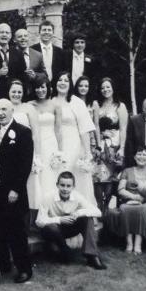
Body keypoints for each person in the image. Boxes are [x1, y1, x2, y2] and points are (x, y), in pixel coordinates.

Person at [0, 99, 35, 283]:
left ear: (12, 111)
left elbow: (25, 164)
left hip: (13, 190)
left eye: (4, 109)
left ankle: (24, 268)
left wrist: (16, 189)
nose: (1, 113)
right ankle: (3, 264)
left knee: (17, 230)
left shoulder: (23, 132)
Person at [36, 171, 106, 269]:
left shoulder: (77, 196)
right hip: (52, 231)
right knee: (52, 228)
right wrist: (59, 219)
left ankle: (92, 255)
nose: (65, 189)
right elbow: (39, 221)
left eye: (68, 186)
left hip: (69, 229)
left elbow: (98, 212)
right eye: (62, 185)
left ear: (73, 187)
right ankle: (64, 250)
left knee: (87, 218)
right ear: (57, 185)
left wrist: (78, 213)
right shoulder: (48, 197)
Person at [109, 146, 146, 254]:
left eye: (144, 155)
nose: (141, 157)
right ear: (134, 157)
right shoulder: (127, 171)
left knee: (142, 210)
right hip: (129, 201)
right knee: (124, 208)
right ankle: (129, 243)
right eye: (139, 154)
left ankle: (138, 244)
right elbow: (120, 189)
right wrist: (133, 197)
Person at [53, 71, 96, 204]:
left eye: (66, 80)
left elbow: (84, 129)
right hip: (54, 144)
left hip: (73, 145)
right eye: (60, 80)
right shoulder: (50, 101)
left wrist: (87, 153)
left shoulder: (76, 102)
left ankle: (80, 211)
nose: (62, 83)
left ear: (70, 84)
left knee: (76, 176)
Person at [29, 75, 64, 208]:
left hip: (50, 143)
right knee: (37, 176)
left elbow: (59, 130)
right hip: (35, 144)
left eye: (42, 87)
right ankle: (37, 207)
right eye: (37, 87)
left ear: (48, 88)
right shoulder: (30, 105)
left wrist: (60, 152)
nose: (40, 90)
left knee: (50, 175)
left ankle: (52, 207)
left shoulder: (55, 106)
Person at [8, 79, 42, 211]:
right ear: (9, 92)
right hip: (9, 153)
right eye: (13, 91)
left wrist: (36, 155)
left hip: (26, 152)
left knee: (30, 184)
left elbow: (35, 133)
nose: (16, 94)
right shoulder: (4, 106)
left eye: (19, 92)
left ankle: (31, 220)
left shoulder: (28, 108)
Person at [94, 77, 127, 183]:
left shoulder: (120, 106)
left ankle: (110, 199)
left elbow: (123, 128)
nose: (105, 90)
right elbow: (96, 126)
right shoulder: (98, 105)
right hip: (100, 145)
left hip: (115, 144)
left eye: (108, 87)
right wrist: (97, 145)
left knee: (113, 177)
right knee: (99, 177)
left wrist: (122, 148)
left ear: (113, 88)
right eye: (102, 88)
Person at [0, 22, 26, 100]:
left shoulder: (17, 53)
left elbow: (22, 75)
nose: (4, 35)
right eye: (1, 32)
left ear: (10, 36)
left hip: (15, 96)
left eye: (7, 33)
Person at [13, 28, 44, 99]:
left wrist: (35, 75)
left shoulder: (38, 55)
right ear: (14, 40)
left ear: (28, 38)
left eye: (25, 36)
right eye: (20, 36)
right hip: (15, 93)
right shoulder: (10, 54)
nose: (23, 38)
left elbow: (44, 74)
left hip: (33, 94)